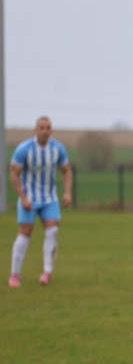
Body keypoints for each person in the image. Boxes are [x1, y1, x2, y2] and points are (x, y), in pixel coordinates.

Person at [9, 116, 73, 288]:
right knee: (24, 234)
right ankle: (14, 275)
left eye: (48, 128)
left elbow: (66, 171)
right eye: (42, 127)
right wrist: (22, 196)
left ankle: (47, 272)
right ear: (35, 130)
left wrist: (67, 192)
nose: (45, 131)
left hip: (49, 198)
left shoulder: (58, 149)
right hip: (29, 198)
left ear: (51, 131)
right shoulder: (24, 149)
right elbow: (13, 173)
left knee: (52, 232)